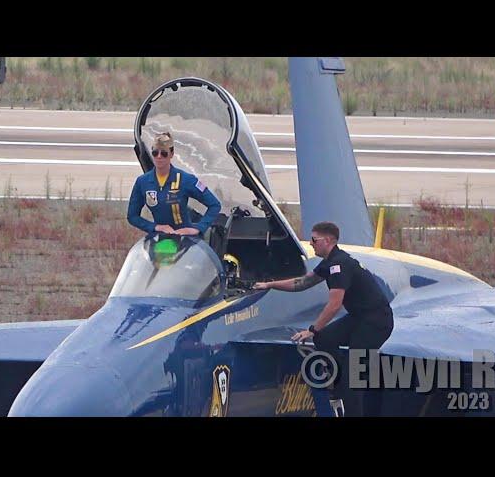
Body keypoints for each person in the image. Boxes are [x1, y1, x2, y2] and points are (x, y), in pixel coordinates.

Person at [253, 221, 394, 415]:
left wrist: (312, 329)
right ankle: (336, 379)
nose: (310, 243)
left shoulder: (339, 265)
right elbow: (301, 283)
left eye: (314, 239)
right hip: (359, 318)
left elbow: (334, 305)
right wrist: (270, 285)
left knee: (352, 380)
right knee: (324, 338)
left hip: (376, 323)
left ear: (327, 241)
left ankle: (344, 384)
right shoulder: (330, 261)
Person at [127, 132, 221, 237]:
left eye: (164, 153)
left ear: (171, 154)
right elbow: (132, 216)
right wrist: (155, 227)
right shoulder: (142, 182)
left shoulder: (186, 179)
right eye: (155, 153)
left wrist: (199, 228)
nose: (159, 157)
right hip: (159, 238)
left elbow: (215, 205)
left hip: (185, 240)